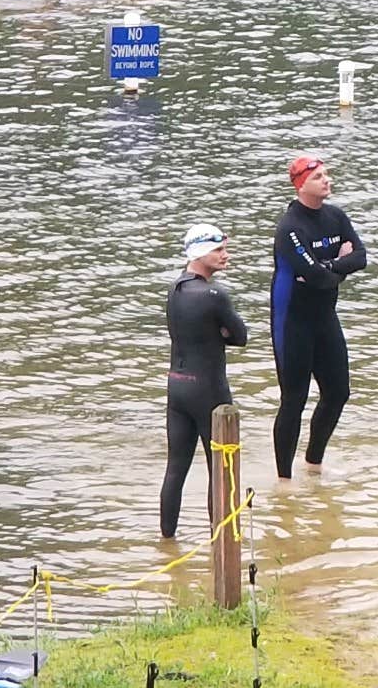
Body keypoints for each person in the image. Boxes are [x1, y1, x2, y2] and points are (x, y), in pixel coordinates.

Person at [270, 154, 367, 479]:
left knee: (338, 392)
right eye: (318, 177)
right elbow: (315, 277)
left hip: (325, 317)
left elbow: (361, 257)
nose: (327, 180)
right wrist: (335, 266)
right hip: (292, 321)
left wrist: (329, 267)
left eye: (327, 175)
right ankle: (284, 478)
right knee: (294, 399)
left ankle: (313, 464)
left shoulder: (335, 216)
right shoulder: (290, 228)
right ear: (301, 186)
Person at [162, 224, 246, 538]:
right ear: (200, 252)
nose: (226, 255)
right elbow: (240, 336)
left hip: (177, 388)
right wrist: (220, 332)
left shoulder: (174, 289)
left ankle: (166, 540)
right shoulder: (215, 295)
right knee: (221, 472)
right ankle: (222, 542)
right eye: (219, 250)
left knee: (175, 469)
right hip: (209, 389)